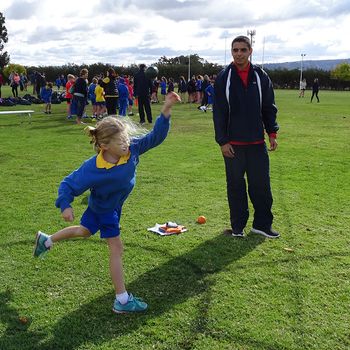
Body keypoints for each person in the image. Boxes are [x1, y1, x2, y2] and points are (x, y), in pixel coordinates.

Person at [33, 92, 181, 314]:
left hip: (103, 206)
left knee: (84, 231)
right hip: (106, 210)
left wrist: (166, 110)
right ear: (104, 144)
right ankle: (122, 300)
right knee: (116, 249)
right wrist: (65, 205)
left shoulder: (131, 150)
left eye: (126, 139)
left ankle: (46, 241)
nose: (126, 143)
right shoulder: (93, 168)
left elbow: (155, 137)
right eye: (120, 141)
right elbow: (68, 184)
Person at [213, 35, 280, 239]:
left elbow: (268, 107)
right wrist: (223, 141)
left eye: (243, 50)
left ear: (250, 51)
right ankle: (237, 227)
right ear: (231, 52)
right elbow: (219, 112)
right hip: (233, 145)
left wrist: (272, 133)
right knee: (235, 187)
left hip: (257, 144)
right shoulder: (224, 77)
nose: (239, 54)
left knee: (261, 186)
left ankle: (262, 225)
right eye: (235, 50)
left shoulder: (260, 76)